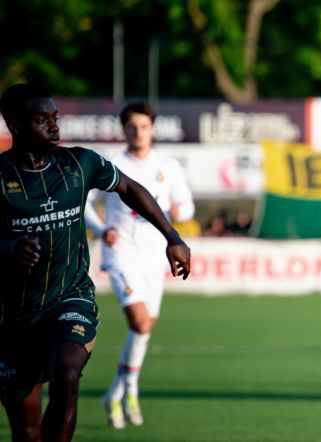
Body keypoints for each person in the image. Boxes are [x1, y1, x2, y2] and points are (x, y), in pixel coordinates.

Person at [0, 84, 191, 441]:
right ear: (15, 123)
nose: (54, 127)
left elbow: (131, 188)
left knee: (67, 374)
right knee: (26, 431)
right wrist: (10, 248)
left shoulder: (79, 162)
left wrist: (173, 236)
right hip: (12, 314)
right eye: (42, 120)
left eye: (55, 118)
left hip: (69, 299)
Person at [83, 103, 195, 429]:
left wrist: (180, 210)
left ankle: (118, 391)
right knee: (140, 322)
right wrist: (103, 230)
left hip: (154, 257)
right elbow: (86, 203)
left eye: (144, 126)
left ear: (152, 129)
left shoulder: (167, 166)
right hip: (121, 255)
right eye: (132, 126)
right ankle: (130, 387)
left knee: (143, 331)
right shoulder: (112, 165)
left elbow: (186, 207)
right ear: (124, 129)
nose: (138, 132)